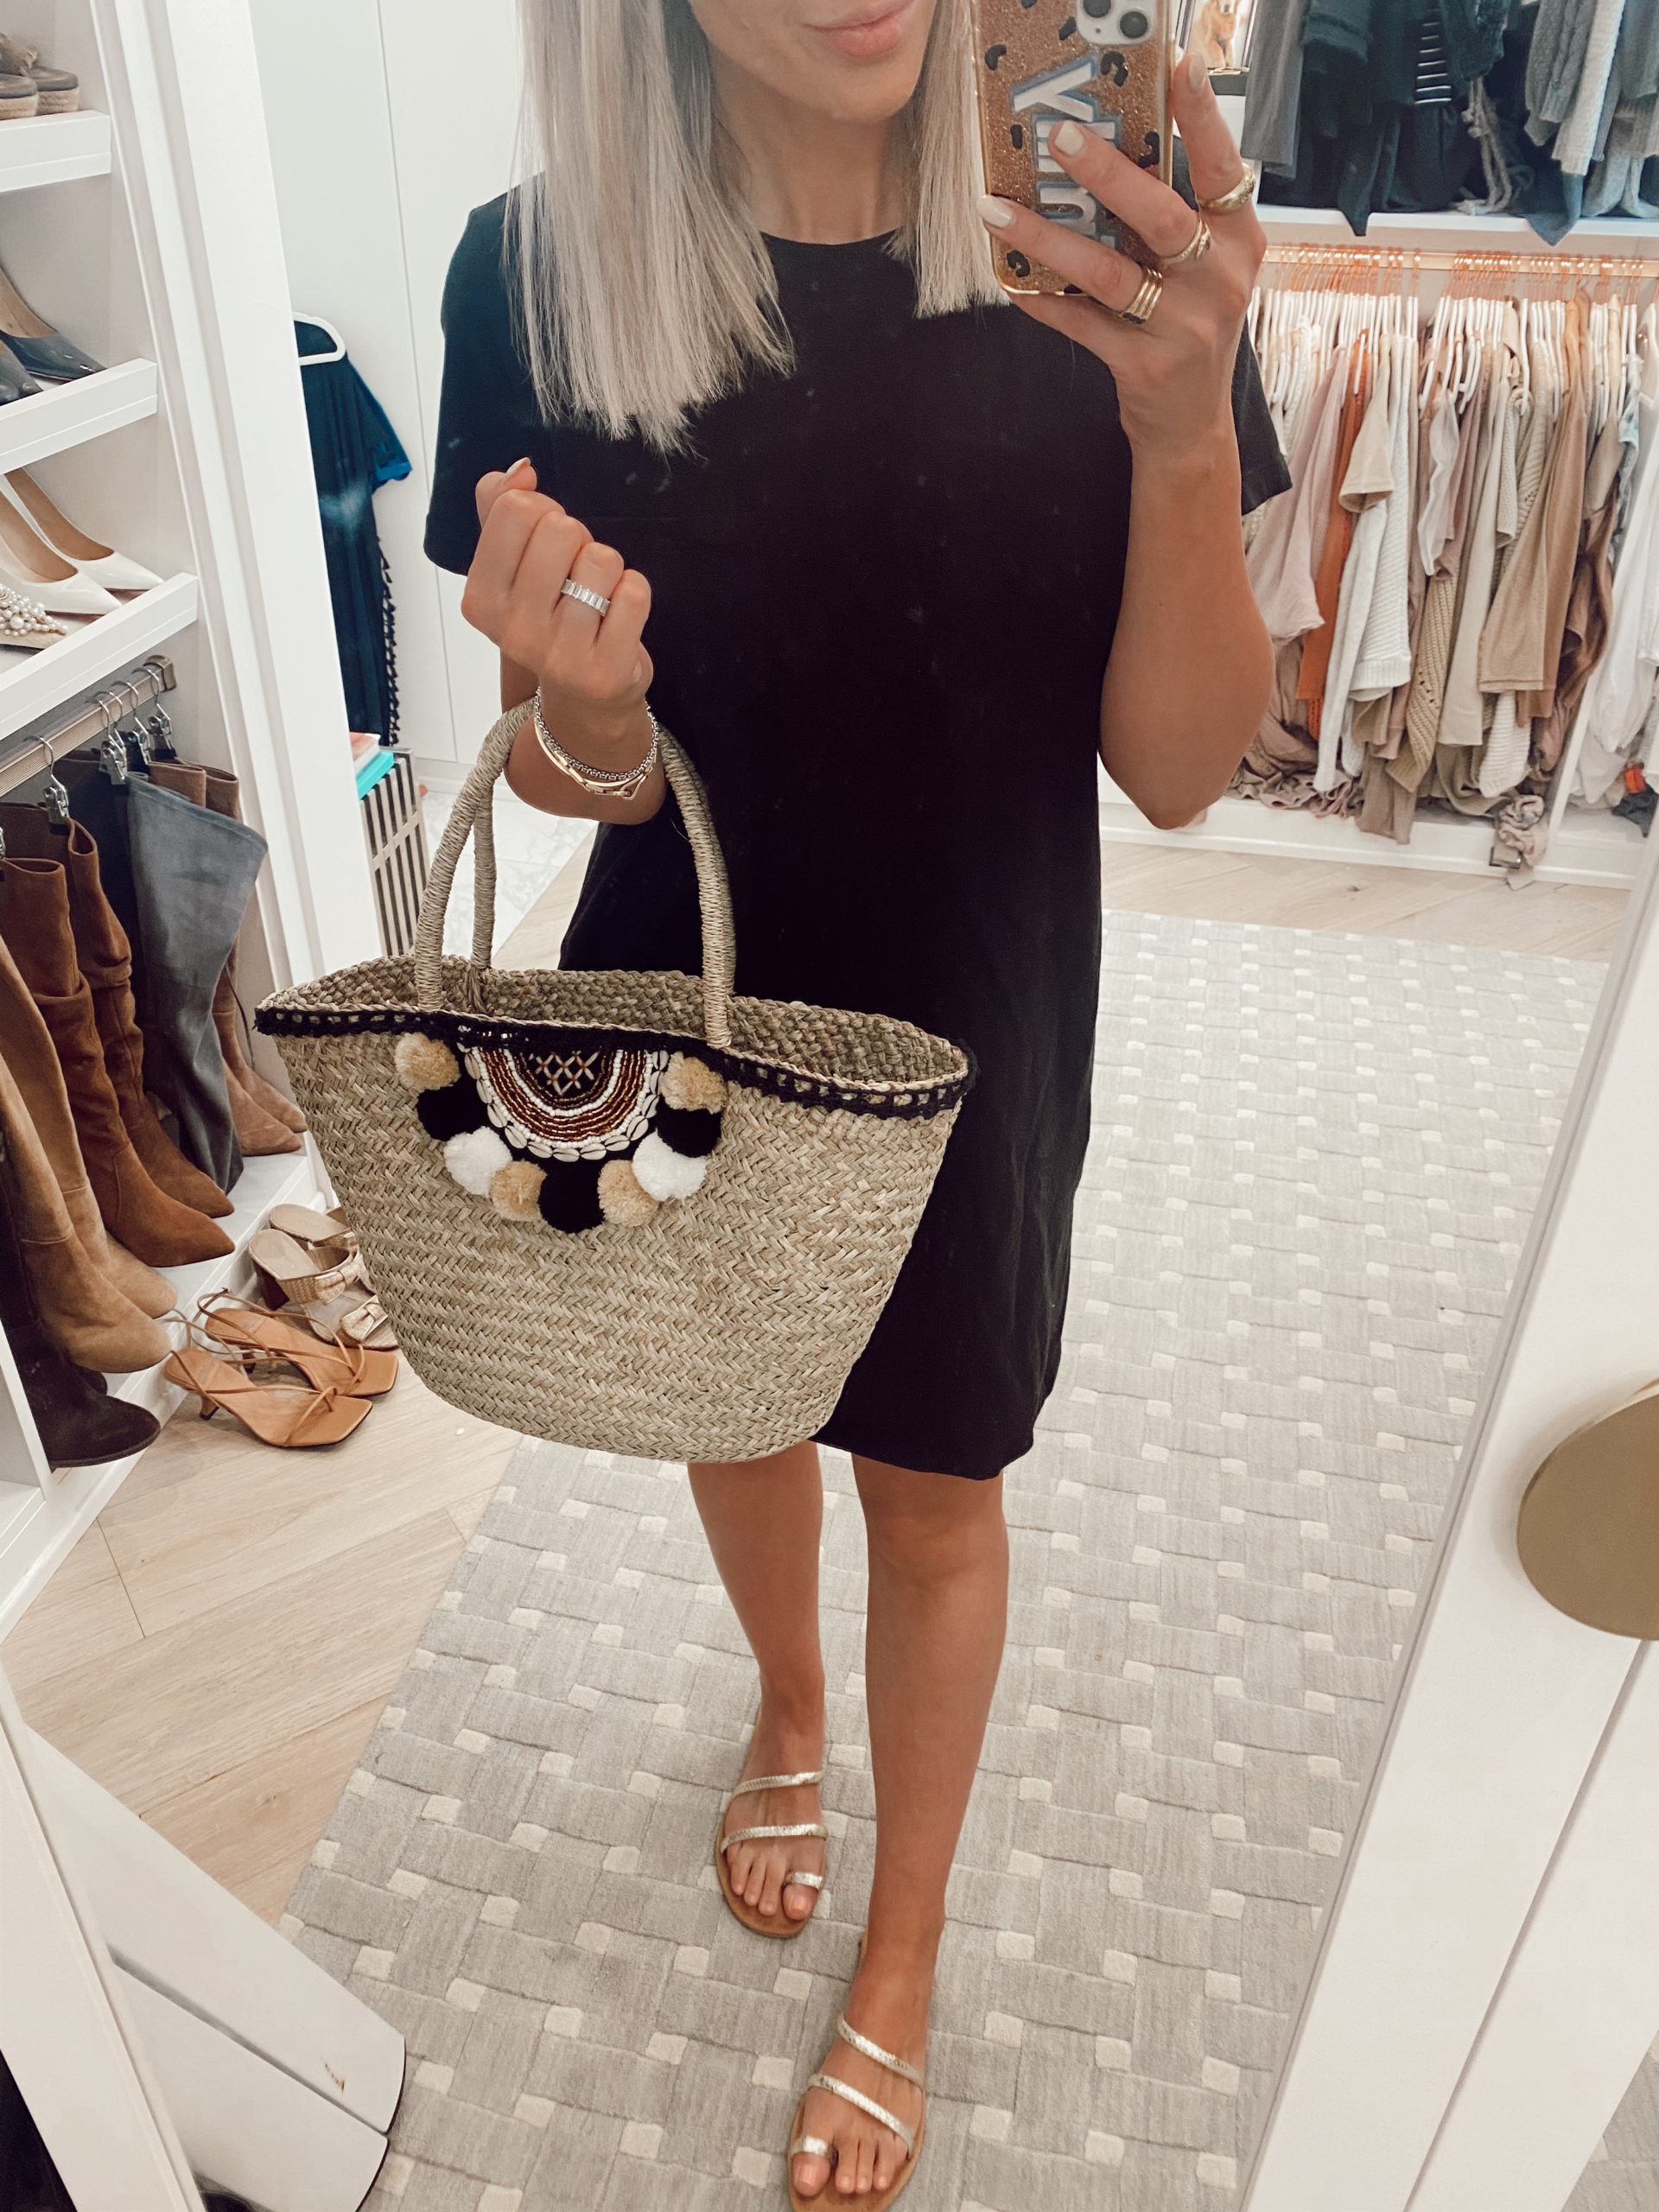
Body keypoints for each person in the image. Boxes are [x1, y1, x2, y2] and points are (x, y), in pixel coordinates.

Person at [424, 2, 1284, 2199]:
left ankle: (907, 1947)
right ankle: (786, 1705)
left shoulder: (1097, 254)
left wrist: (1186, 430)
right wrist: (582, 703)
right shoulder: (538, 271)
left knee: (937, 1475)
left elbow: (1186, 767)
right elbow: (584, 776)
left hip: (976, 1005)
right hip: (688, 996)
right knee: (735, 1405)